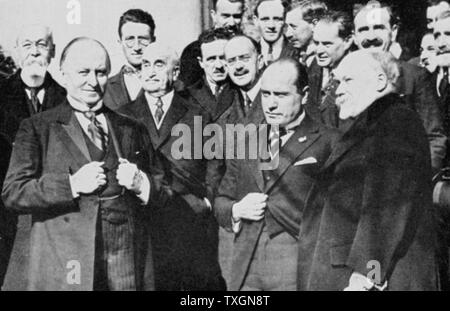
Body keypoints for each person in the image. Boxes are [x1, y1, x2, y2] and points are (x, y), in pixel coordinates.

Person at [1, 37, 169, 291]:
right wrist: (71, 185)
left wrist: (141, 184)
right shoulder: (37, 127)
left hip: (124, 259)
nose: (93, 81)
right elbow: (13, 193)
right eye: (83, 72)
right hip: (65, 260)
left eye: (101, 72)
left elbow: (164, 190)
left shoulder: (132, 127)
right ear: (64, 74)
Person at [297, 50, 438, 291]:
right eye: (336, 81)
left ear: (380, 81)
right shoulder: (374, 123)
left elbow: (388, 208)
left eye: (348, 80)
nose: (337, 90)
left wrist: (367, 274)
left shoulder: (396, 121)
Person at [214, 58, 339, 291]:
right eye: (266, 94)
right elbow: (221, 200)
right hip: (246, 265)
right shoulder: (246, 141)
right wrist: (237, 209)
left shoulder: (329, 141)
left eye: (280, 95)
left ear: (304, 94)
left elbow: (338, 214)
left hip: (298, 259)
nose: (270, 104)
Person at [118, 43, 225, 291]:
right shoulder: (122, 116)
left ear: (175, 73)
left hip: (188, 219)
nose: (151, 72)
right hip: (143, 220)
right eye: (145, 65)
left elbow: (215, 164)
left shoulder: (198, 114)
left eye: (159, 64)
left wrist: (207, 201)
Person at [0, 24, 66, 291]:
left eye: (41, 44)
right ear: (17, 52)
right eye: (27, 45)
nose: (35, 52)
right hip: (5, 213)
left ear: (52, 50)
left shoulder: (66, 97)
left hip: (52, 211)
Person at [353, 1, 447, 174]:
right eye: (363, 30)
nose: (371, 36)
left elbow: (434, 138)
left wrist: (422, 178)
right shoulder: (344, 80)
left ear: (393, 31)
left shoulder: (415, 77)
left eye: (379, 28)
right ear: (354, 36)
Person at [179, 0, 245, 86]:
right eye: (225, 16)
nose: (231, 23)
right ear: (213, 15)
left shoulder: (249, 48)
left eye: (237, 16)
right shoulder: (193, 51)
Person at [305, 11, 353, 128]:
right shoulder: (314, 67)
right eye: (316, 43)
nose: (319, 51)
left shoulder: (355, 76)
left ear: (347, 41)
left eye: (327, 44)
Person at [103, 9, 156, 110]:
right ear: (120, 42)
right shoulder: (104, 88)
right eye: (130, 39)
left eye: (143, 39)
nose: (136, 47)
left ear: (153, 41)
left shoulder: (172, 85)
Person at [187, 27, 236, 121]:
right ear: (201, 62)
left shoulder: (241, 92)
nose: (218, 65)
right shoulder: (187, 95)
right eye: (211, 59)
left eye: (223, 58)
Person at [253, 0, 298, 67]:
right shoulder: (252, 52)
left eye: (277, 19)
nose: (271, 26)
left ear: (285, 20)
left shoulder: (297, 52)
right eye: (265, 19)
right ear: (256, 21)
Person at [285, 0, 328, 67]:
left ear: (314, 24)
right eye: (287, 27)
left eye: (294, 27)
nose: (288, 34)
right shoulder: (288, 56)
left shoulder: (328, 57)